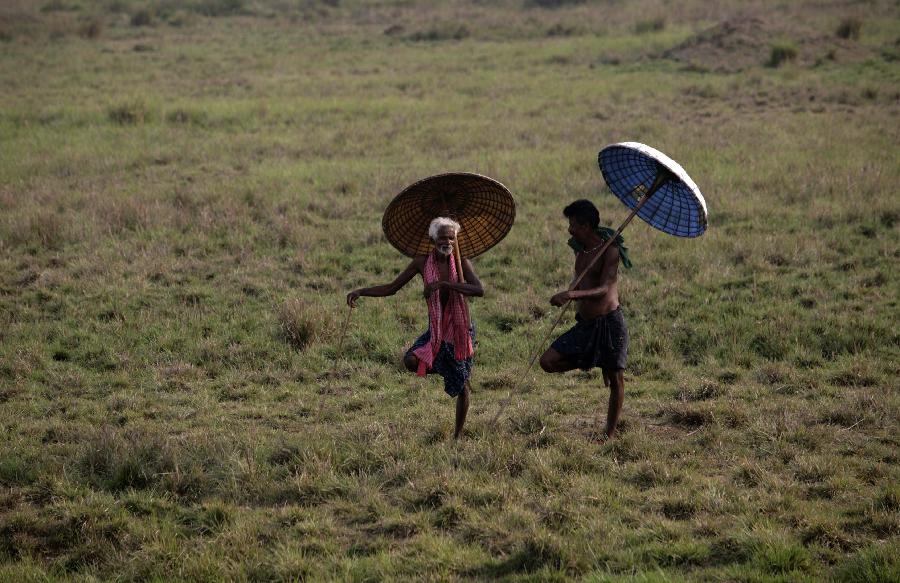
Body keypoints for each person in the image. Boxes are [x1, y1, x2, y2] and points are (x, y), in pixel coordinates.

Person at [346, 217, 483, 439]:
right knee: (410, 360)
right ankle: (449, 368)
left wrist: (444, 284)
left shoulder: (461, 261)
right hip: (437, 328)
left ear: (456, 240)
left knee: (463, 387)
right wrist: (362, 291)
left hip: (459, 328)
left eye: (451, 237)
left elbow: (479, 290)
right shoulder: (422, 262)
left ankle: (457, 437)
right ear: (432, 240)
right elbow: (392, 287)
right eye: (442, 237)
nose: (447, 241)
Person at [539, 199, 632, 442]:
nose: (570, 230)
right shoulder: (581, 251)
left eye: (574, 225)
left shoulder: (610, 251)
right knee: (547, 362)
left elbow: (603, 289)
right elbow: (579, 280)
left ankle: (609, 434)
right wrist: (571, 291)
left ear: (587, 225)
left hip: (609, 323)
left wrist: (571, 294)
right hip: (587, 324)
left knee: (615, 379)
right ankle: (595, 361)